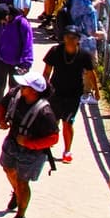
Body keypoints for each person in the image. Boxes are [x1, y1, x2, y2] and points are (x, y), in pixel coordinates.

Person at [0, 69, 58, 218]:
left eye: (24, 86)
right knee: (8, 169)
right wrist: (1, 119)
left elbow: (53, 138)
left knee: (23, 182)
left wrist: (29, 143)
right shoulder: (16, 94)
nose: (20, 87)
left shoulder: (45, 113)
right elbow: (2, 104)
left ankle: (20, 216)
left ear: (33, 91)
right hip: (12, 142)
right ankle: (17, 193)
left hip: (32, 153)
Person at [41, 27, 98, 164]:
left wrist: (96, 90)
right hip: (55, 92)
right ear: (64, 38)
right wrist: (43, 88)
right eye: (68, 37)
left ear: (78, 39)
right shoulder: (55, 51)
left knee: (68, 123)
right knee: (52, 121)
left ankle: (67, 151)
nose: (70, 40)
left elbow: (90, 74)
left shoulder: (84, 55)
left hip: (73, 94)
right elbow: (47, 72)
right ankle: (47, 145)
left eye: (74, 37)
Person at [0, 3, 33, 114]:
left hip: (17, 63)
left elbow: (28, 44)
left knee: (14, 90)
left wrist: (26, 63)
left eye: (2, 20)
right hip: (1, 59)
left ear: (8, 16)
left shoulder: (22, 23)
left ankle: (10, 113)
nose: (1, 23)